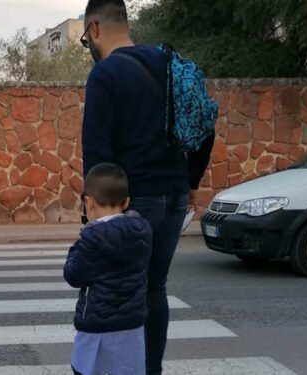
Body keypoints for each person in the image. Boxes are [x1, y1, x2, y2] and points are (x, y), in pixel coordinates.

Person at [79, 1, 215, 374]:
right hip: (172, 198)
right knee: (154, 287)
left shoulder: (105, 74)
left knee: (117, 289)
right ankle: (149, 368)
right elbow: (205, 125)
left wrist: (93, 214)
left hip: (131, 201)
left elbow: (98, 156)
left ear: (94, 28)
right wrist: (190, 181)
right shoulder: (169, 63)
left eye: (84, 38)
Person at [64, 163, 153, 375]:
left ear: (88, 202)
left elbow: (73, 275)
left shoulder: (92, 238)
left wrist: (80, 241)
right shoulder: (143, 231)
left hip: (97, 325)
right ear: (126, 202)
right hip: (132, 323)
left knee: (86, 370)